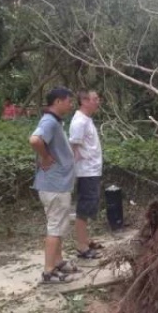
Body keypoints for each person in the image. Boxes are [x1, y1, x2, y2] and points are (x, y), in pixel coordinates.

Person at [29, 87, 77, 283]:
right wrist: (46, 157)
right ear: (58, 102)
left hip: (58, 185)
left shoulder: (55, 122)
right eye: (68, 101)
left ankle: (58, 262)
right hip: (54, 185)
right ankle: (48, 271)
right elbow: (34, 140)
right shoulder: (49, 121)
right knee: (55, 227)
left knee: (58, 225)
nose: (71, 104)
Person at [69, 90, 103, 259]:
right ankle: (82, 247)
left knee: (90, 206)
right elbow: (73, 148)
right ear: (84, 101)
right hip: (86, 172)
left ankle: (86, 240)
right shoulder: (79, 122)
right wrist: (73, 170)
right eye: (95, 99)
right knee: (83, 208)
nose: (98, 102)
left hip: (92, 170)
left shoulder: (86, 120)